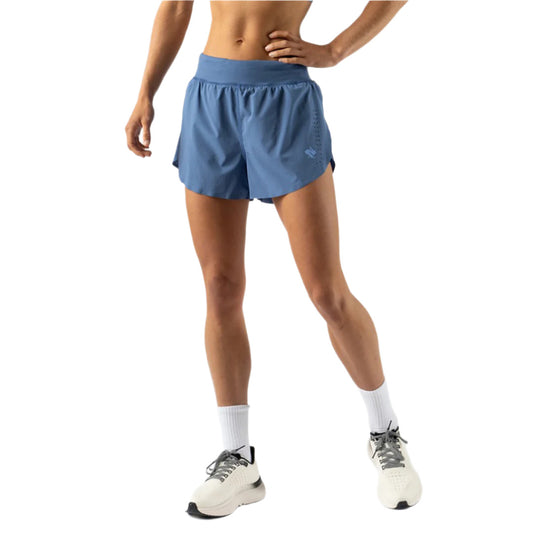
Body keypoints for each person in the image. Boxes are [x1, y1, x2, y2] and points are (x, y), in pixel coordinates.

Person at [125, 0, 422, 518]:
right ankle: (238, 459)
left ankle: (385, 433)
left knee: (326, 292)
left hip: (283, 99)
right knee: (220, 287)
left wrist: (335, 50)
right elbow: (175, 7)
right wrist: (146, 91)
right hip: (211, 97)